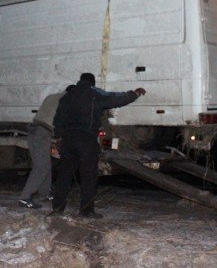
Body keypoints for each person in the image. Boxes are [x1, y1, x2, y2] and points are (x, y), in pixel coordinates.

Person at [52, 72, 146, 218]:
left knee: (64, 175)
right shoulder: (94, 94)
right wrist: (134, 94)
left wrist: (59, 138)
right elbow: (115, 100)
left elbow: (57, 120)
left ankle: (57, 209)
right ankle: (86, 211)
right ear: (92, 83)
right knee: (88, 176)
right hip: (86, 139)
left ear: (80, 81)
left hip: (68, 140)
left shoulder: (66, 97)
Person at [18, 85, 75, 209]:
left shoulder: (51, 97)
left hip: (34, 131)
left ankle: (44, 193)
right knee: (41, 167)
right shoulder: (67, 100)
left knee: (45, 164)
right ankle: (25, 197)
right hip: (42, 134)